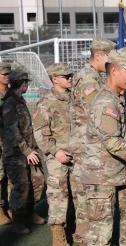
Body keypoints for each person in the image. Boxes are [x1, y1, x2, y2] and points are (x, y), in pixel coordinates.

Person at [80, 47, 126, 245]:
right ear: (114, 70)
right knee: (101, 235)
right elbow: (112, 142)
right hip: (102, 175)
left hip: (121, 171)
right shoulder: (106, 101)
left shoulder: (117, 99)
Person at [70, 37, 116, 243]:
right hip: (86, 149)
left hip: (90, 147)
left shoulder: (93, 76)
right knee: (87, 203)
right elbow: (97, 110)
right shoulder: (88, 79)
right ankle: (81, 239)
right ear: (98, 55)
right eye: (109, 58)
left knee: (91, 203)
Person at [1, 67, 45, 234]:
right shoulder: (9, 102)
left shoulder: (19, 99)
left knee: (37, 182)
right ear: (22, 83)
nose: (27, 85)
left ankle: (30, 212)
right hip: (15, 153)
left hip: (28, 151)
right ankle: (19, 220)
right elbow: (12, 131)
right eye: (26, 82)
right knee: (21, 186)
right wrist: (27, 151)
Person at [33, 63, 74, 245]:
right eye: (66, 76)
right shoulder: (47, 101)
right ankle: (58, 234)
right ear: (55, 78)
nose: (70, 78)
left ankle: (76, 229)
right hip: (58, 157)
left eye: (71, 75)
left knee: (78, 195)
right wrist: (56, 151)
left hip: (77, 154)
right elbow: (41, 131)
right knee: (58, 195)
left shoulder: (75, 99)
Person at [0, 62, 11, 225]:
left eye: (9, 73)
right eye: (4, 74)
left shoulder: (11, 94)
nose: (8, 76)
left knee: (13, 175)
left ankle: (11, 207)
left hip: (12, 140)